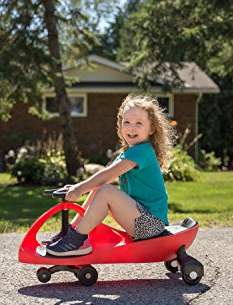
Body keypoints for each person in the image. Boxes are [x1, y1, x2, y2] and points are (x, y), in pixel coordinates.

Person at [45, 95, 176, 257]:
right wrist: (76, 187)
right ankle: (70, 233)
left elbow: (108, 175)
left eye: (139, 123)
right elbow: (103, 177)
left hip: (151, 225)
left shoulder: (142, 151)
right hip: (140, 219)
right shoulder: (130, 152)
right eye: (126, 122)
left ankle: (76, 240)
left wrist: (80, 188)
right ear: (120, 124)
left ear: (151, 129)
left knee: (106, 190)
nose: (131, 128)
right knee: (99, 189)